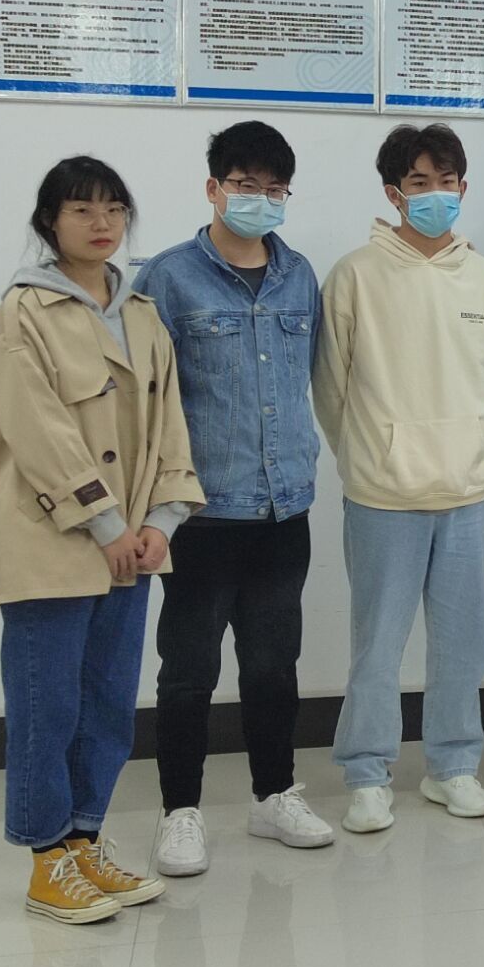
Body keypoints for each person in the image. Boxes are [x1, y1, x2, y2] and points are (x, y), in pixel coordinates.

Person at [0, 157, 203, 923]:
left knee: (107, 704)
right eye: (81, 209)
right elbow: (39, 433)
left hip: (130, 549)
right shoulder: (22, 316)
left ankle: (83, 841)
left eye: (113, 208)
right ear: (51, 223)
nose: (101, 222)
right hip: (52, 543)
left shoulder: (141, 312)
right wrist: (106, 523)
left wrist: (160, 522)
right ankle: (46, 859)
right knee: (47, 706)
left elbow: (169, 424)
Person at [138, 122, 332, 877]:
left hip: (284, 507)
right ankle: (179, 811)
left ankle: (273, 794)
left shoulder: (299, 275)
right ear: (213, 188)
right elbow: (147, 399)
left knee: (274, 665)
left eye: (274, 188)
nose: (260, 199)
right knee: (188, 670)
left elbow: (305, 375)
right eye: (245, 185)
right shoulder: (168, 278)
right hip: (201, 511)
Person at [314, 123, 484, 832]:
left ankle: (452, 766)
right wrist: (372, 455)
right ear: (394, 194)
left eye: (446, 182)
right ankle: (367, 773)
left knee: (462, 643)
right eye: (419, 183)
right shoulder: (355, 275)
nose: (434, 195)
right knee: (378, 645)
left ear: (463, 188)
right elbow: (330, 389)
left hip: (465, 492)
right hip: (382, 495)